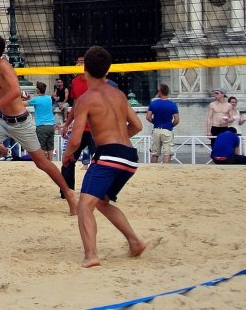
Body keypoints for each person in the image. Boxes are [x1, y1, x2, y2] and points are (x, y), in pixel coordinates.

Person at [0, 34, 76, 213]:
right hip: (3, 120)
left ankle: (69, 193)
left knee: (41, 162)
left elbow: (16, 91)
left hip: (21, 122)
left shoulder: (4, 66)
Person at [67, 45, 147, 268]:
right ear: (107, 70)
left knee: (84, 206)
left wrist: (66, 156)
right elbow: (138, 126)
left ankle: (91, 255)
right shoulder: (119, 95)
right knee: (101, 202)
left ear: (85, 69)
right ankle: (135, 241)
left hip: (110, 156)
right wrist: (119, 144)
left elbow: (75, 140)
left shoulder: (85, 99)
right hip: (129, 156)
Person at [61, 55, 98, 195]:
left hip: (96, 129)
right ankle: (66, 192)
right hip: (81, 128)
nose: (79, 64)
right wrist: (66, 124)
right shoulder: (75, 82)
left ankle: (104, 192)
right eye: (78, 62)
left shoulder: (96, 81)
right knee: (68, 159)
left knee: (102, 161)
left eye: (83, 62)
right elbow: (76, 105)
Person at [146, 84, 180, 164]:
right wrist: (171, 125)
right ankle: (166, 171)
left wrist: (154, 122)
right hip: (167, 130)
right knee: (167, 153)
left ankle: (153, 170)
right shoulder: (172, 105)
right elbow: (177, 120)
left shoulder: (153, 103)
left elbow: (148, 117)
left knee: (155, 153)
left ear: (160, 92)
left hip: (156, 129)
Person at [28, 82, 56, 160]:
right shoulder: (49, 98)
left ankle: (44, 162)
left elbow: (24, 103)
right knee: (50, 147)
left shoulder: (36, 100)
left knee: (42, 147)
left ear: (37, 90)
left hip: (41, 126)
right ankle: (50, 162)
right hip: (51, 125)